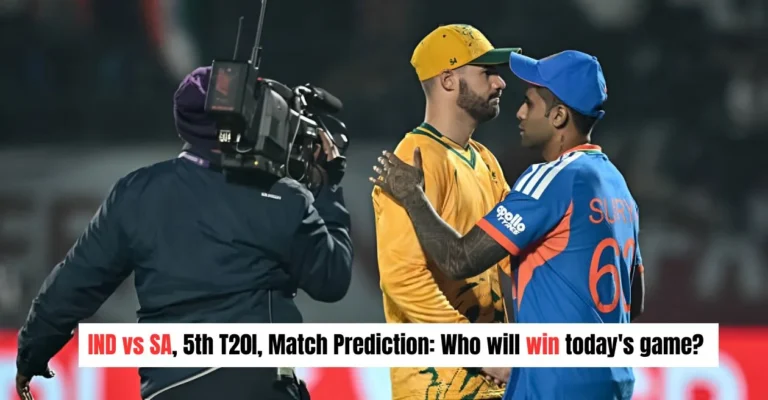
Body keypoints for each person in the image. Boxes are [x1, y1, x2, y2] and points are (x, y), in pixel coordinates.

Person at [15, 66, 353, 400]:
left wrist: (32, 351)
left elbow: (76, 283)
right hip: (258, 384)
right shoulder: (284, 196)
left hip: (170, 388)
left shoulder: (136, 192)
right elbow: (331, 279)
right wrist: (329, 188)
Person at [370, 50, 644, 400]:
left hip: (555, 383)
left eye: (529, 103)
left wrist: (413, 196)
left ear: (558, 116)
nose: (519, 112)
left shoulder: (548, 179)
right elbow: (634, 300)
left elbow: (459, 259)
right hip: (615, 380)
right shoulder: (618, 188)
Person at [371, 23, 521, 400]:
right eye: (487, 72)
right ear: (449, 80)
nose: (500, 83)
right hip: (436, 386)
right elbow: (403, 278)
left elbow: (512, 257)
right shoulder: (413, 158)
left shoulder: (484, 159)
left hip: (490, 383)